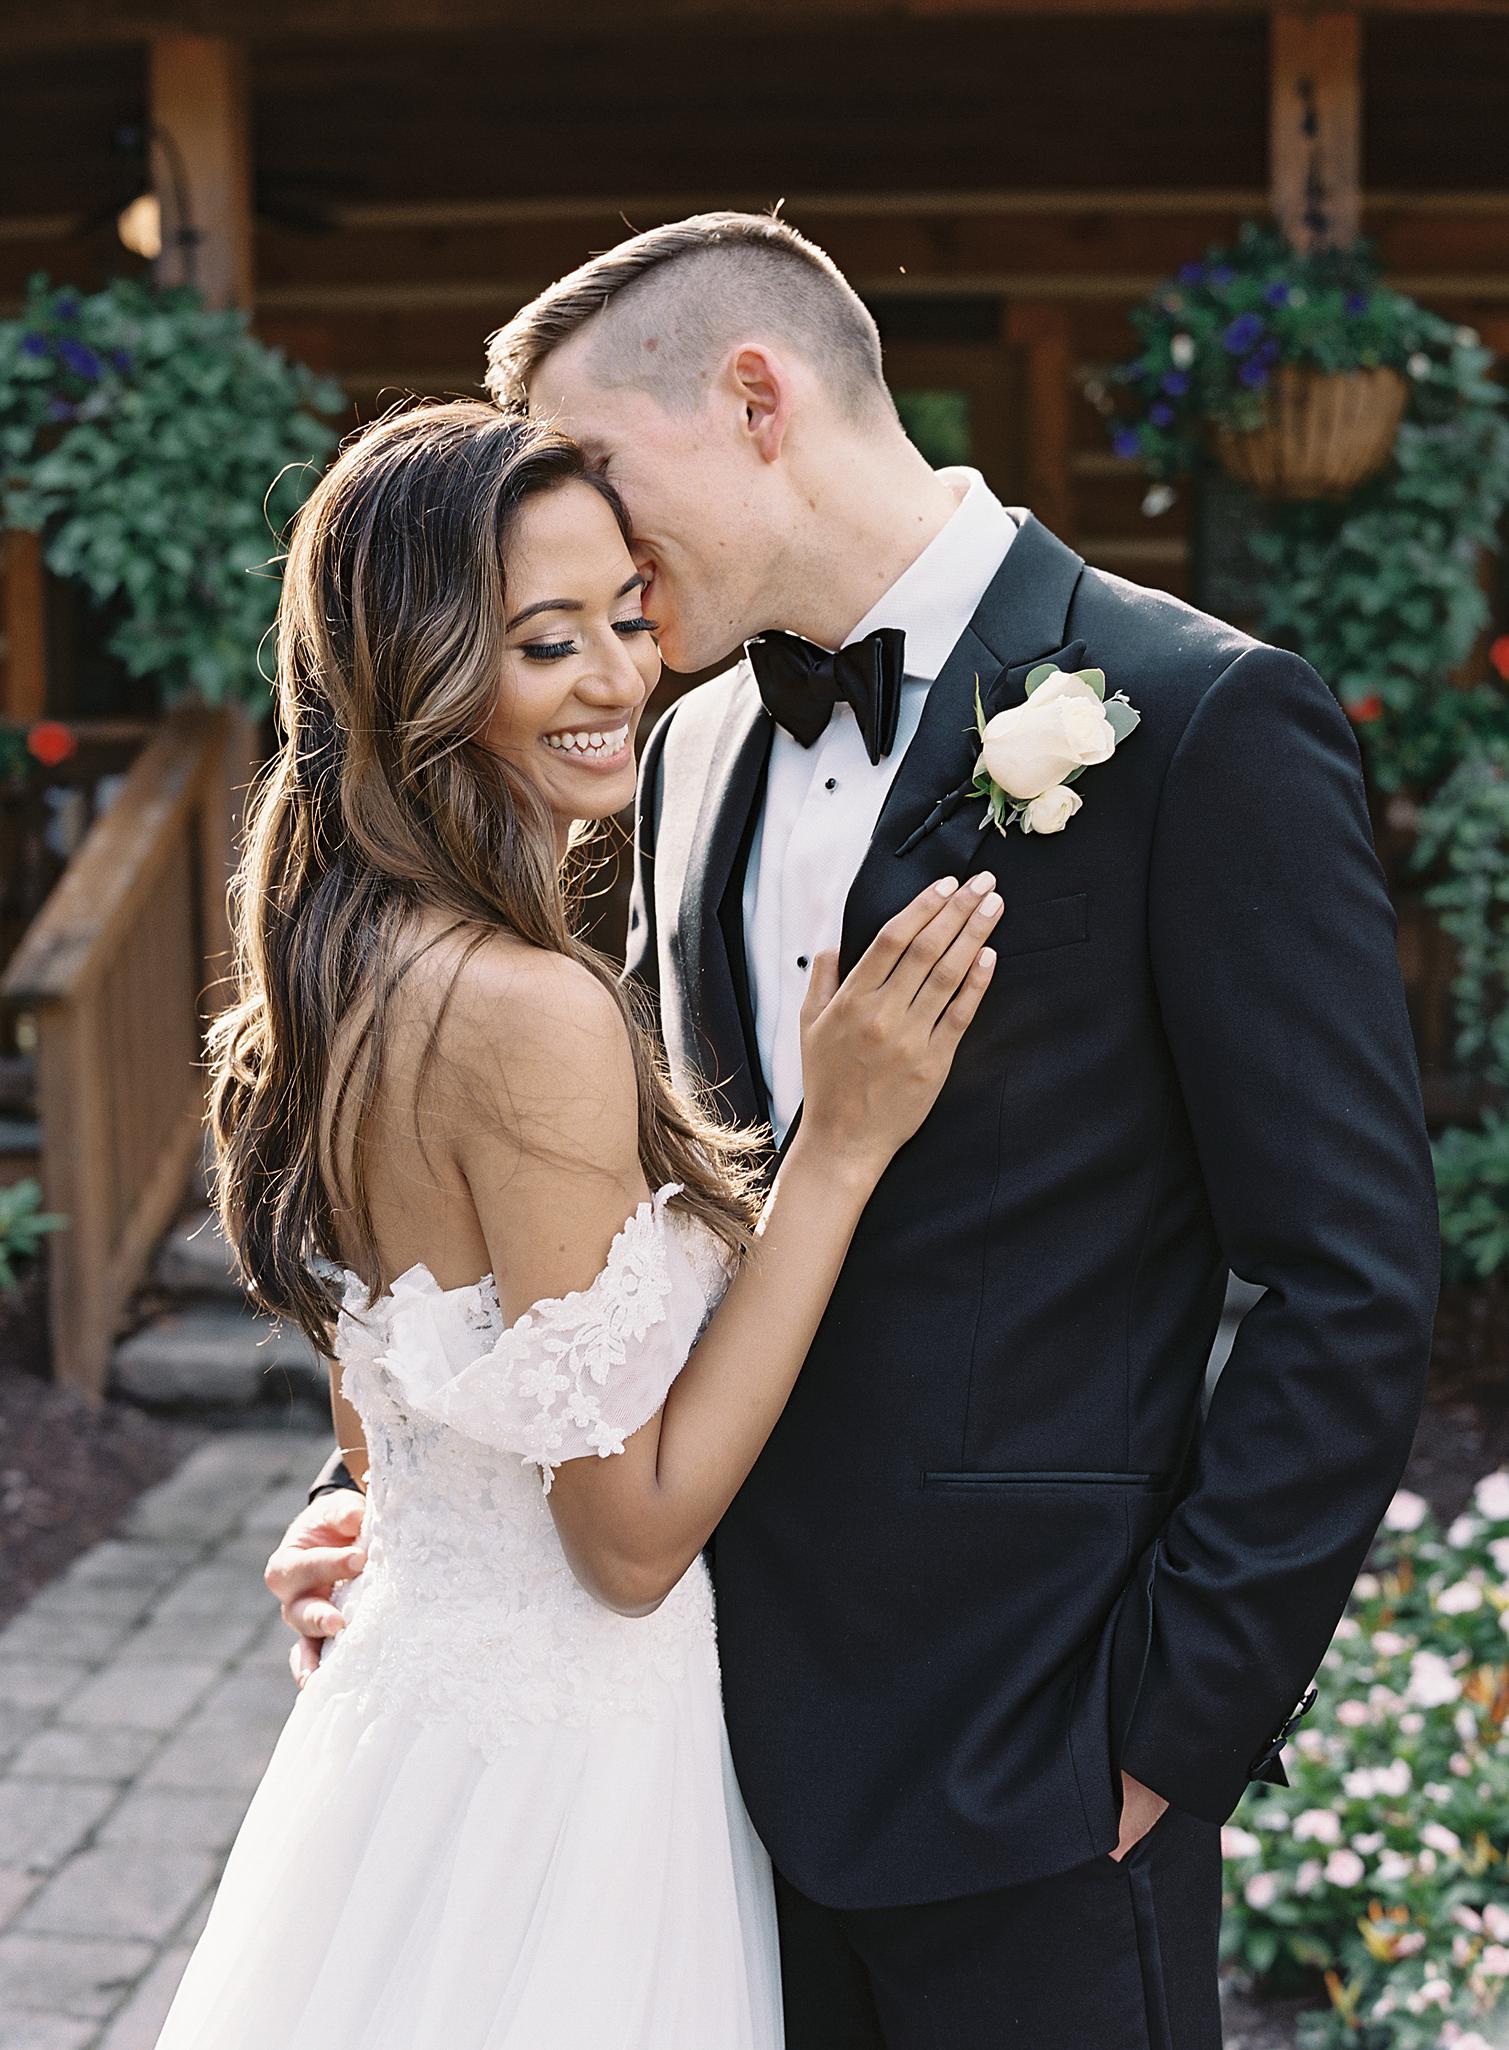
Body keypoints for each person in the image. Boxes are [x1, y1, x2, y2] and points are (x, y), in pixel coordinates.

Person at [271, 215, 1440, 2048]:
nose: (603, 564)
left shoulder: (1204, 720)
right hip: (682, 1780)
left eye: (608, 481)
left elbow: (1350, 1280)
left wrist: (1164, 1740)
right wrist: (394, 1496)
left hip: (1033, 1785)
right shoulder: (679, 746)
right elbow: (589, 1230)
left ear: (755, 400)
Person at [156, 399, 999, 2050]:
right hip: (570, 1777)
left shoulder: (338, 973)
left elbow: (396, 1413)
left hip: (410, 1735)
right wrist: (839, 1146)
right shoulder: (523, 1005)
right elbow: (623, 1543)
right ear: (418, 672)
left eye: (627, 617)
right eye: (546, 642)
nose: (618, 679)